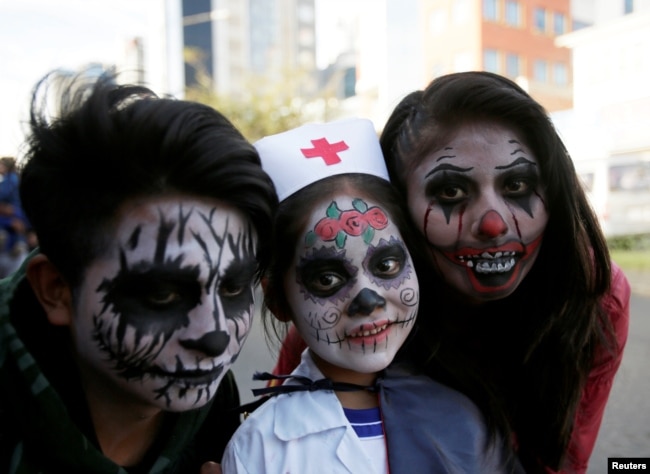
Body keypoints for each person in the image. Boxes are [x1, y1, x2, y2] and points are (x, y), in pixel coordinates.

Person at [272, 72, 630, 473]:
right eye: (451, 192)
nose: (494, 225)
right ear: (398, 210)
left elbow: (561, 461)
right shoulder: (346, 316)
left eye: (516, 184)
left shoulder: (593, 297)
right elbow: (282, 439)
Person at [0, 70, 278, 473]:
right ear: (57, 289)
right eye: (162, 294)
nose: (214, 338)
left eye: (233, 287)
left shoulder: (215, 404)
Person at [221, 118, 523, 473]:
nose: (369, 299)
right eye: (328, 278)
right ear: (277, 299)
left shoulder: (466, 416)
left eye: (387, 264)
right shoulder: (261, 447)